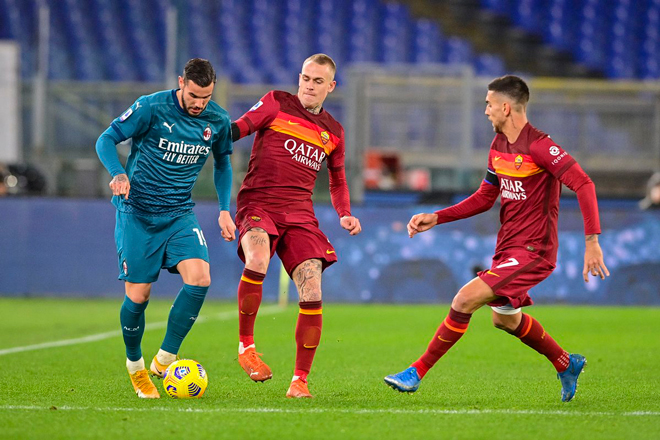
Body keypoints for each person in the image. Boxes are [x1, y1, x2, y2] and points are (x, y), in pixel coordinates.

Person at [384, 75, 609, 402]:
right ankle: (565, 362)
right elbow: (484, 198)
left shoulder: (540, 146)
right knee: (505, 319)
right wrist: (438, 216)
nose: (486, 111)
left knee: (464, 299)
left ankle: (415, 372)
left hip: (535, 250)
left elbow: (584, 184)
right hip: (508, 249)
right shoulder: (498, 146)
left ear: (506, 107)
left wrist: (592, 241)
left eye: (489, 104)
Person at [95, 58, 236, 399]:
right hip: (138, 213)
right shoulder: (151, 107)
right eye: (193, 95)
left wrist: (223, 210)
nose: (199, 103)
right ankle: (136, 367)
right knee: (138, 296)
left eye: (206, 96)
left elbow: (223, 164)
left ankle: (166, 358)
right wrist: (118, 173)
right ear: (181, 83)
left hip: (179, 214)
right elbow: (106, 140)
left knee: (200, 278)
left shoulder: (217, 120)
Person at [230, 53, 362, 398]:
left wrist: (344, 212)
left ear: (331, 87)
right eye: (305, 78)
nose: (309, 85)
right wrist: (214, 134)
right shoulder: (277, 102)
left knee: (313, 292)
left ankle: (299, 381)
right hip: (259, 204)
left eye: (318, 81)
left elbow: (337, 180)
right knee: (257, 259)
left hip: (300, 215)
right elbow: (240, 127)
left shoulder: (333, 131)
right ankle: (246, 348)